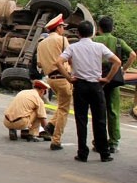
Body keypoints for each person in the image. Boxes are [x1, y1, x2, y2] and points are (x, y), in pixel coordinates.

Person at [55, 20, 121, 163]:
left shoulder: (73, 47)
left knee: (81, 120)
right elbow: (117, 62)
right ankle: (104, 153)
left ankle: (82, 153)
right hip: (96, 86)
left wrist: (69, 78)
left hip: (80, 86)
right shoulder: (99, 47)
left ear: (78, 33)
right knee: (100, 120)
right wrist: (107, 79)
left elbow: (59, 62)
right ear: (92, 32)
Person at [93, 16, 136, 153]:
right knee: (113, 111)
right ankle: (114, 142)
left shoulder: (94, 40)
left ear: (99, 28)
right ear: (112, 28)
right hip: (113, 80)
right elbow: (133, 55)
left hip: (97, 79)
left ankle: (98, 142)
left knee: (98, 111)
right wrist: (122, 69)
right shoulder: (118, 41)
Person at [36, 13, 73, 151]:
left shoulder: (41, 44)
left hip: (51, 80)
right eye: (62, 26)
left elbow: (39, 64)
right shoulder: (62, 40)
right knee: (64, 109)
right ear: (58, 28)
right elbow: (70, 58)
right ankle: (56, 141)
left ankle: (51, 125)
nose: (63, 29)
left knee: (62, 105)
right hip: (64, 78)